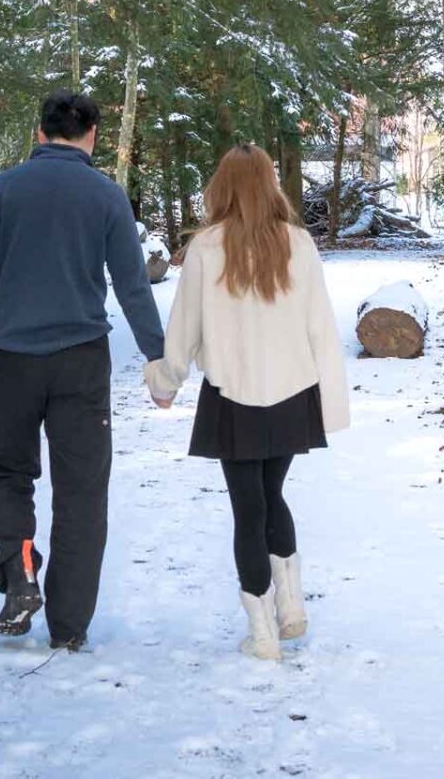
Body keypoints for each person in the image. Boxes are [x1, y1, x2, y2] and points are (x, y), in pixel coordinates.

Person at [0, 91, 167, 652]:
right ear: (92, 134)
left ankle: (20, 569)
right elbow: (131, 284)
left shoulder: (2, 190)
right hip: (81, 361)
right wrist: (156, 356)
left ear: (39, 132)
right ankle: (69, 628)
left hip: (11, 358)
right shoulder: (105, 195)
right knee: (81, 491)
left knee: (5, 469)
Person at [145, 144, 350, 661]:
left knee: (248, 507)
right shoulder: (298, 244)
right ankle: (292, 607)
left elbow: (184, 330)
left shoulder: (206, 248)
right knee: (271, 495)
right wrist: (330, 401)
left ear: (222, 186)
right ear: (269, 184)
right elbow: (320, 328)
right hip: (291, 391)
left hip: (232, 395)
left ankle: (263, 633)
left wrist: (164, 382)